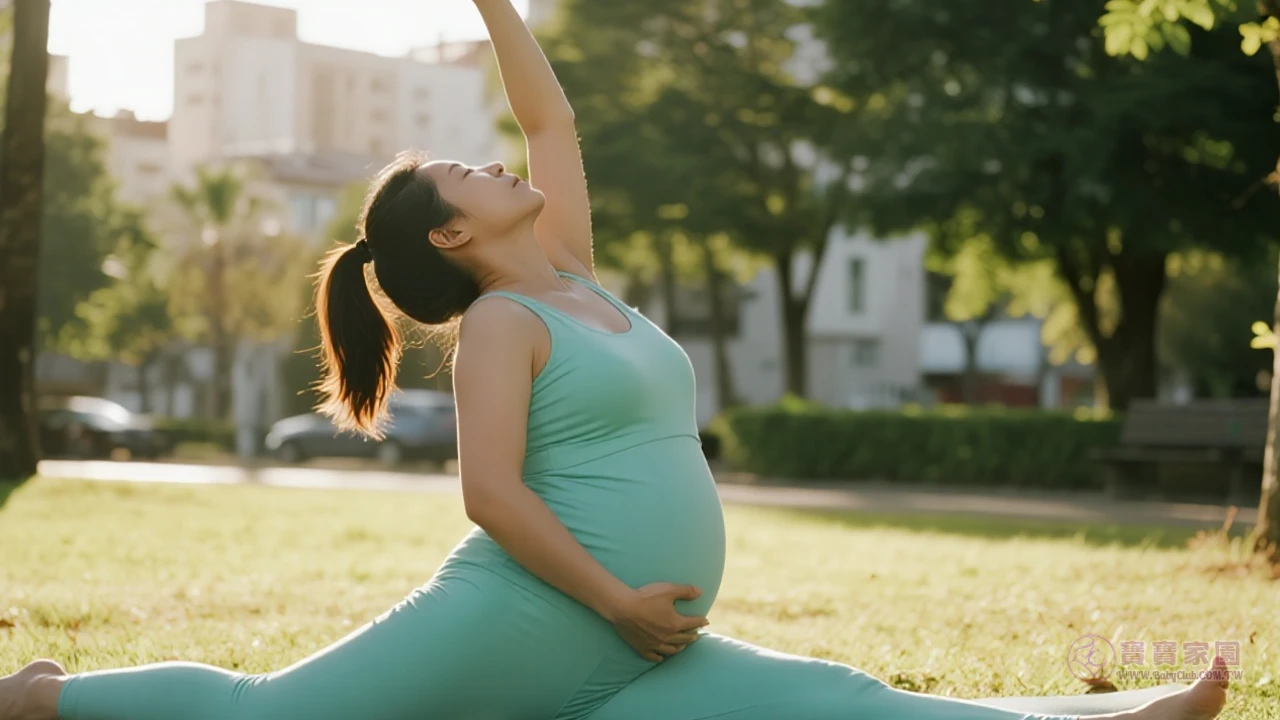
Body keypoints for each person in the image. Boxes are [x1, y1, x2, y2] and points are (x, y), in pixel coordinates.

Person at [0, 2, 1233, 719]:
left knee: (839, 703)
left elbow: (549, 118)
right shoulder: (499, 326)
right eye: (466, 176)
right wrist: (616, 603)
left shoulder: (572, 276)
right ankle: (40, 700)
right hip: (540, 619)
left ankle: (1127, 714)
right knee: (273, 719)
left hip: (634, 639)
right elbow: (489, 496)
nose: (494, 164)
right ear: (452, 234)